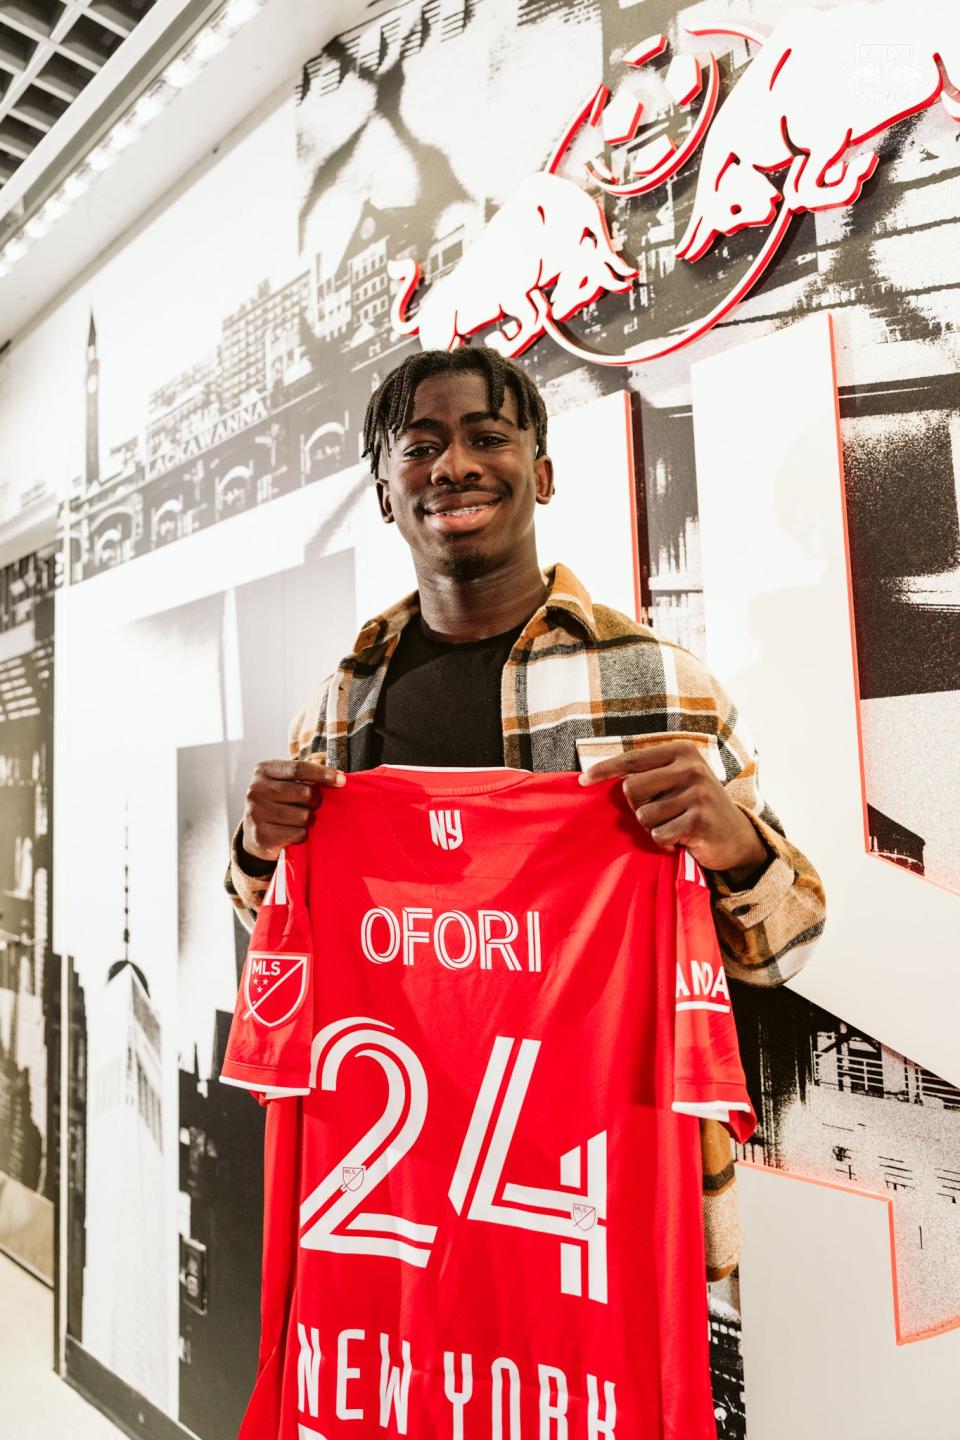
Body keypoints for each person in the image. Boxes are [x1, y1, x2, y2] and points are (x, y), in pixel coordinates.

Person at [225, 344, 825, 1278]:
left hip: (602, 1190)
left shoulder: (658, 684)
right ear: (386, 494)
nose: (453, 466)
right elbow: (287, 945)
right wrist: (260, 848)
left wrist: (737, 844)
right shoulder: (339, 707)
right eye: (418, 448)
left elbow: (784, 952)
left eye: (486, 437)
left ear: (540, 473)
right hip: (400, 1188)